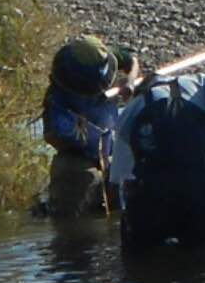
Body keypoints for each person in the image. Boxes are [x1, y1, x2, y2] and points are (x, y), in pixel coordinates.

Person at [116, 64, 205, 252]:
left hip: (153, 201)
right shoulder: (199, 83)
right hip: (200, 196)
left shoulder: (129, 113)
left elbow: (123, 181)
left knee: (142, 258)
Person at [39, 34, 134, 224]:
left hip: (108, 148)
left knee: (118, 209)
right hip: (76, 158)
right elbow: (52, 135)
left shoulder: (103, 56)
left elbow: (132, 61)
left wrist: (129, 82)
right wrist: (80, 137)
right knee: (73, 221)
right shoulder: (59, 94)